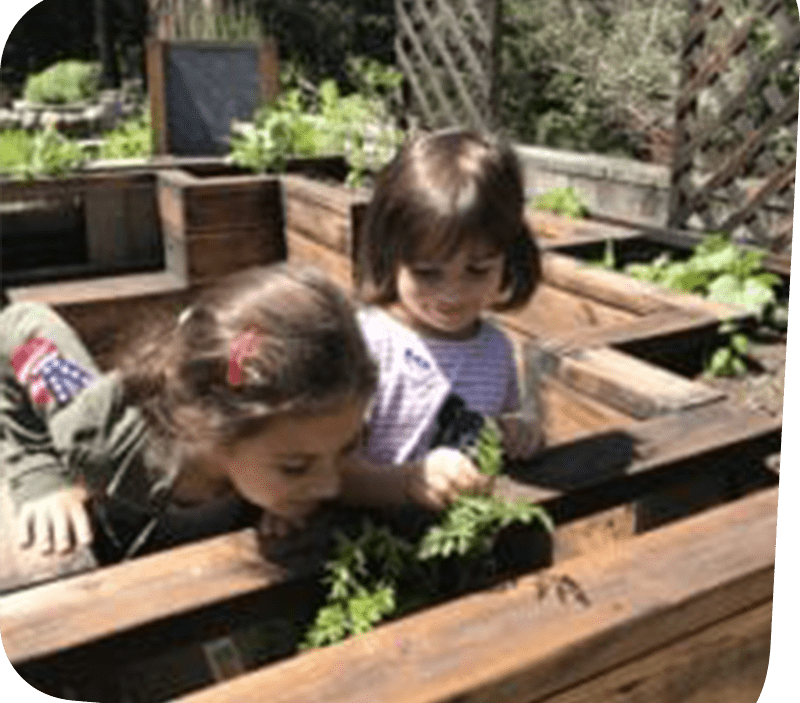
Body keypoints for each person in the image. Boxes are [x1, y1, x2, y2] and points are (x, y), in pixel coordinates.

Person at [0, 264, 485, 570]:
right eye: (295, 467)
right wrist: (38, 476)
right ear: (217, 428)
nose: (329, 486)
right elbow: (22, 327)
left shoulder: (290, 441)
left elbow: (342, 479)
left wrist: (413, 478)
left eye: (346, 448)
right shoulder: (97, 430)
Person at [351, 128, 544, 485]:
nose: (452, 294)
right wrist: (407, 485)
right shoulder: (367, 345)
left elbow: (493, 429)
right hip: (369, 532)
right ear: (389, 255)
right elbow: (334, 468)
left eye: (478, 270)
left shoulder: (496, 350)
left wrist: (516, 431)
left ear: (509, 257)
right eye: (427, 273)